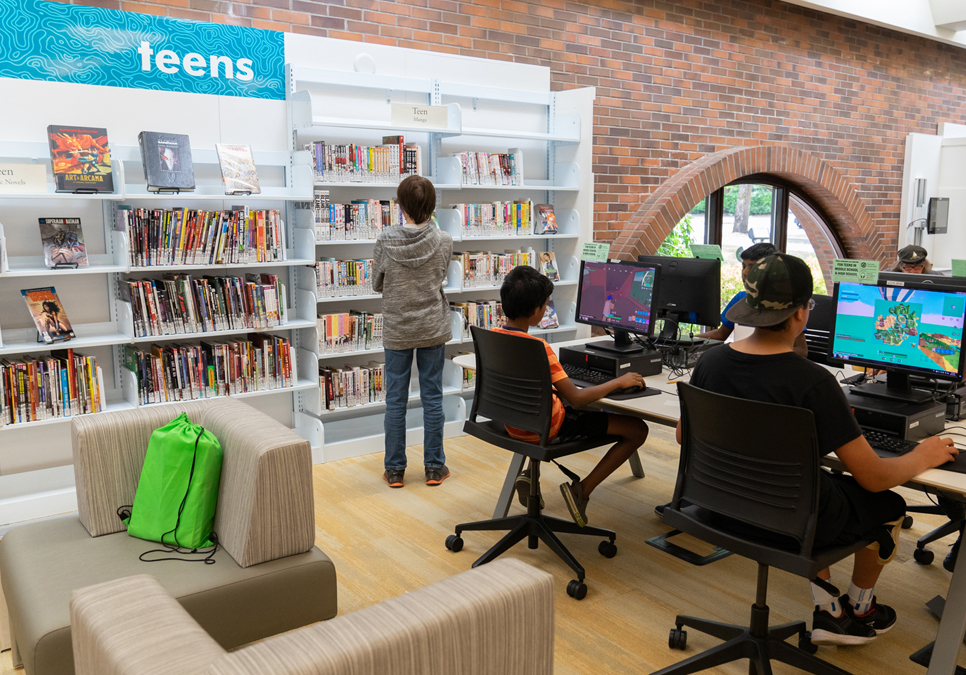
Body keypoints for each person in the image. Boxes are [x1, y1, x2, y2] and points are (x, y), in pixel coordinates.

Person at [683, 253, 958, 645]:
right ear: (800, 314)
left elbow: (684, 436)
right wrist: (922, 454)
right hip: (789, 519)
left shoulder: (710, 363)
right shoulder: (812, 382)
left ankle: (830, 608)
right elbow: (874, 478)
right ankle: (859, 608)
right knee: (889, 507)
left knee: (819, 484)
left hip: (720, 507)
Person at [493, 266, 650, 527]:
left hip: (514, 422)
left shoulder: (494, 336)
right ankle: (582, 490)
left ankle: (530, 474)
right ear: (535, 312)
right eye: (545, 305)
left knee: (561, 399)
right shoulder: (538, 348)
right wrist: (617, 382)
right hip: (548, 428)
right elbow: (576, 399)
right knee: (638, 429)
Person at [373, 175, 453, 488]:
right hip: (432, 326)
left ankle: (395, 470)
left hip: (398, 328)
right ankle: (435, 467)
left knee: (396, 401)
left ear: (401, 205)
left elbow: (377, 283)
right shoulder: (444, 239)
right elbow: (441, 274)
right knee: (433, 397)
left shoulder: (385, 239)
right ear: (432, 205)